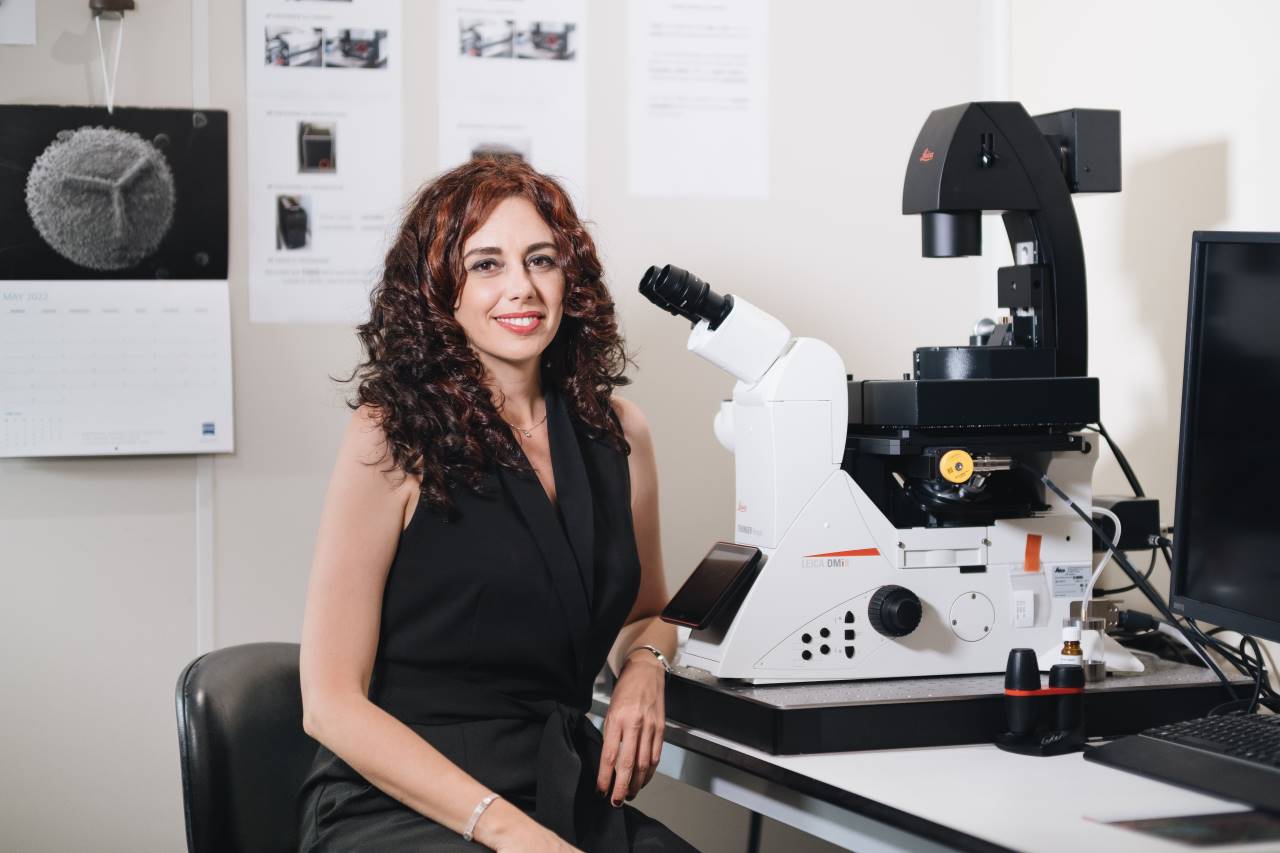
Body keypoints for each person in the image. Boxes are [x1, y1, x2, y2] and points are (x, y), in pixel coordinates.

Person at [296, 156, 695, 852]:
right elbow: (329, 703)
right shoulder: (388, 437)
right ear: (439, 290)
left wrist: (644, 667)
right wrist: (507, 832)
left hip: (557, 786)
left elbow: (649, 613)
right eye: (486, 264)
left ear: (570, 278)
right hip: (400, 801)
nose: (522, 286)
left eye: (541, 259)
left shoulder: (621, 433)